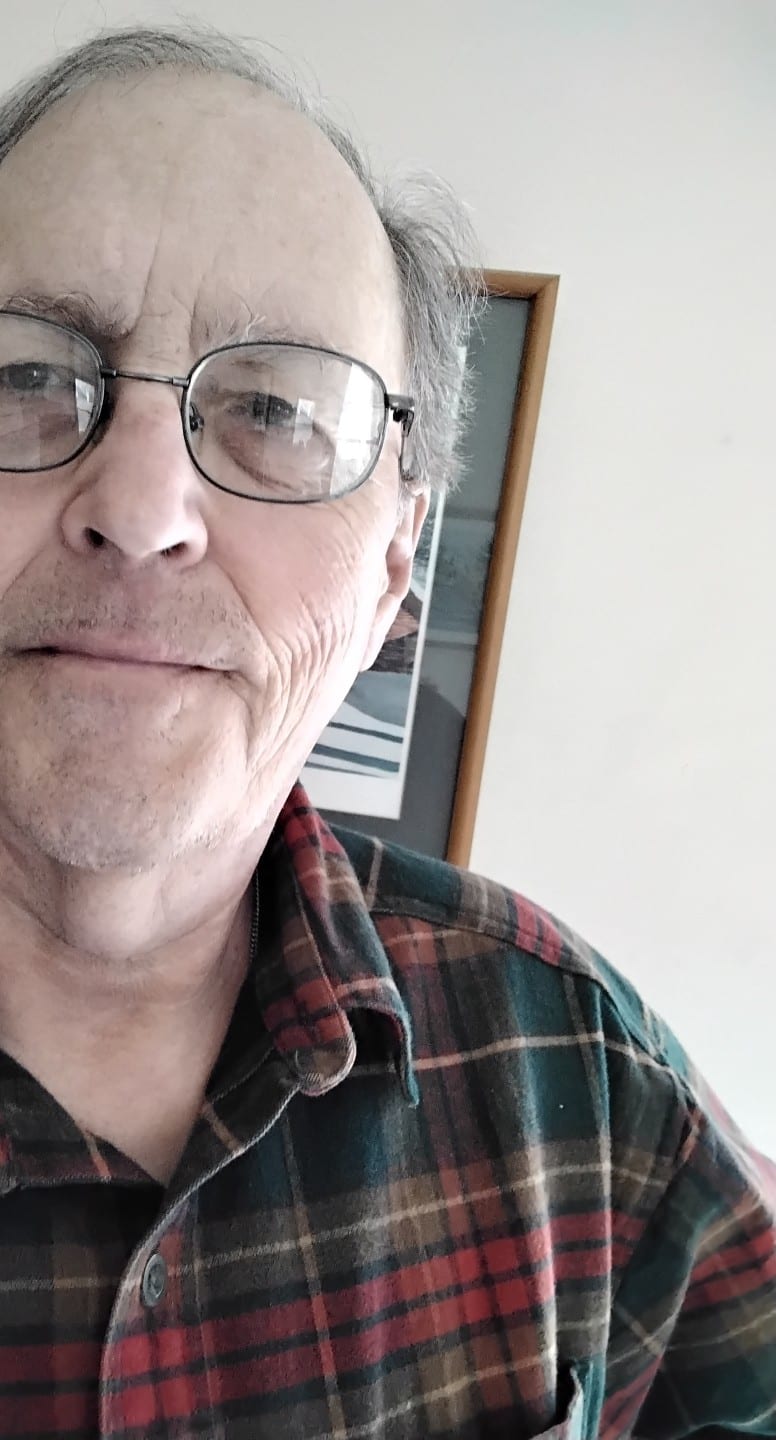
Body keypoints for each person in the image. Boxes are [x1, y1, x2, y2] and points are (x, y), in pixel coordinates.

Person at [0, 24, 772, 1440]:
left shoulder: (586, 1075)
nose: (144, 510)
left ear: (395, 572)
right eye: (26, 376)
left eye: (275, 410)